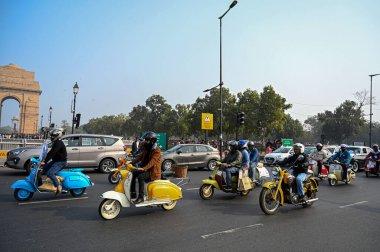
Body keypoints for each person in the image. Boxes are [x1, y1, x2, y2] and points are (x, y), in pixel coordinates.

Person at [129, 132, 162, 204]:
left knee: (141, 177)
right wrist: (130, 163)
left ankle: (141, 197)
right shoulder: (147, 149)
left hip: (153, 172)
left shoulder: (157, 150)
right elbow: (140, 157)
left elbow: (153, 162)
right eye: (146, 139)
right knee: (133, 173)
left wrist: (144, 168)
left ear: (152, 140)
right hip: (147, 169)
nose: (146, 141)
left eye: (147, 139)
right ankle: (133, 192)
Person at [39, 129, 67, 193]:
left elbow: (53, 153)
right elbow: (50, 152)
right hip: (55, 161)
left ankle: (59, 185)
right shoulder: (55, 142)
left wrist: (45, 161)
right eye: (51, 136)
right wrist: (42, 159)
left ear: (58, 136)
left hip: (61, 162)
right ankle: (42, 184)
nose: (51, 137)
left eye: (53, 136)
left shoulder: (59, 143)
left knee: (50, 173)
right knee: (43, 170)